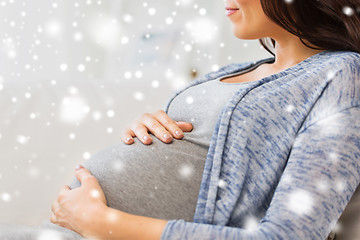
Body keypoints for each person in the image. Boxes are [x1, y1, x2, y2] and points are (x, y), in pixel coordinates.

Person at [1, 0, 360, 239]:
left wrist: (103, 222)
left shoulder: (342, 73)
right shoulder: (234, 71)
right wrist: (154, 128)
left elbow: (288, 236)